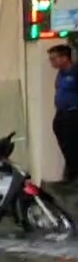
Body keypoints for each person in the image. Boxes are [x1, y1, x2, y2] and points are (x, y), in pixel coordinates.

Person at [54, 44, 78, 182]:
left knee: (73, 147)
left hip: (73, 114)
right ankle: (70, 173)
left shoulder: (75, 72)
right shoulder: (60, 74)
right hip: (61, 115)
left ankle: (74, 176)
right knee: (66, 147)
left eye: (54, 58)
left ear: (65, 58)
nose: (52, 62)